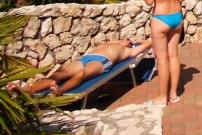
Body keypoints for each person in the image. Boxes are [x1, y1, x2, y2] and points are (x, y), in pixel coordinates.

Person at [14, 38, 152, 96]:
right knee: (59, 74)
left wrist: (137, 42)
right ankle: (30, 90)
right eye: (128, 38)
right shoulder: (110, 43)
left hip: (103, 62)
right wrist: (118, 41)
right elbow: (108, 42)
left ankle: (60, 90)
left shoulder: (128, 51)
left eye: (131, 41)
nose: (129, 41)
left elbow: (148, 43)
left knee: (81, 74)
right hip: (86, 58)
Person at [144, 0, 188, 106]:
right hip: (177, 17)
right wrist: (175, 1)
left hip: (161, 19)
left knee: (162, 59)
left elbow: (150, 1)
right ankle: (174, 94)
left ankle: (163, 97)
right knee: (174, 56)